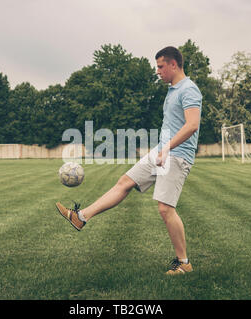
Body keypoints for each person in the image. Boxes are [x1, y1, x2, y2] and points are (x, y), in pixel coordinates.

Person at [56, 46, 202, 275]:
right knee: (124, 181)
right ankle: (80, 217)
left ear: (174, 64)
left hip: (177, 155)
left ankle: (184, 262)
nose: (158, 71)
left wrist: (167, 149)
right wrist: (161, 150)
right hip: (161, 151)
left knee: (165, 209)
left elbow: (192, 125)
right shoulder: (173, 90)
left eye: (161, 66)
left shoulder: (189, 89)